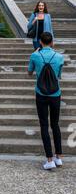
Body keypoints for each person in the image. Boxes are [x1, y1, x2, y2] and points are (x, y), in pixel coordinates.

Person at [28, 32, 64, 170]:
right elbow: (59, 76)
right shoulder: (59, 57)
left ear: (41, 42)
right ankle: (58, 157)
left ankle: (49, 160)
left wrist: (36, 54)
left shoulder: (35, 55)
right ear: (52, 42)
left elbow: (29, 72)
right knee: (55, 124)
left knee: (44, 125)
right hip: (56, 94)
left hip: (41, 94)